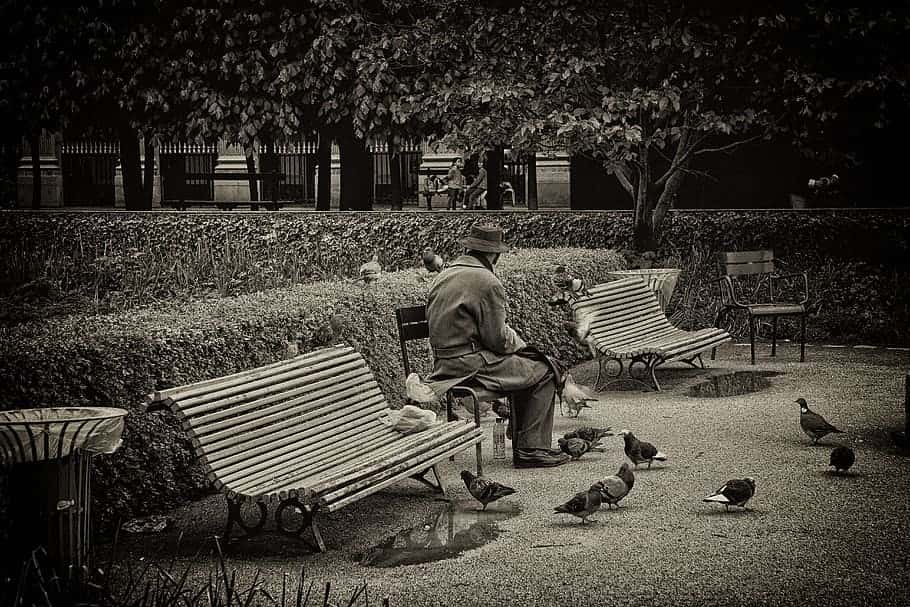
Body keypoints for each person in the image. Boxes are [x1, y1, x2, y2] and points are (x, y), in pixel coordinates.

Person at [426, 223, 570, 468]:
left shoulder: (445, 274)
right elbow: (498, 340)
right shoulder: (487, 281)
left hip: (444, 364)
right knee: (545, 369)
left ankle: (525, 441)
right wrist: (523, 346)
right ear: (494, 254)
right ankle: (531, 449)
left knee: (530, 366)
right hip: (469, 366)